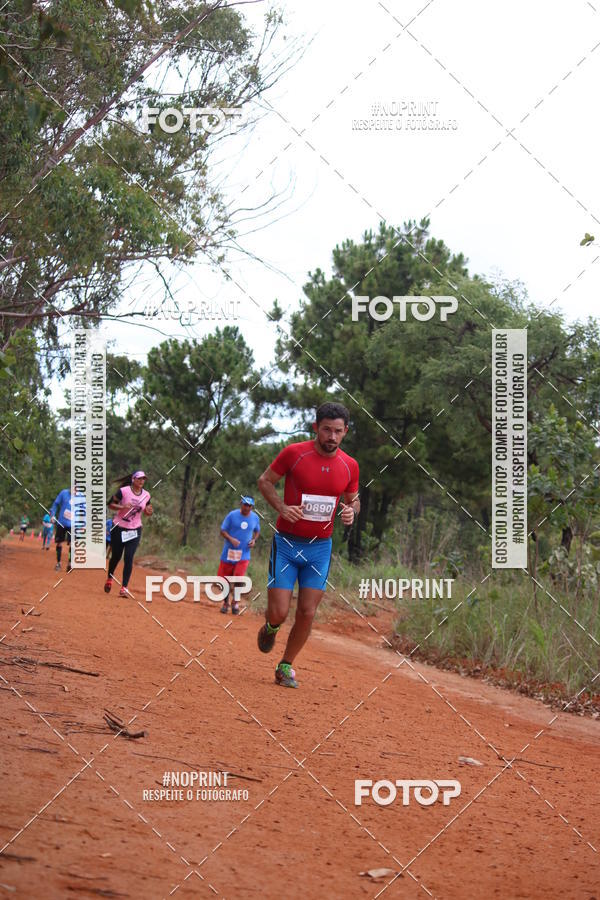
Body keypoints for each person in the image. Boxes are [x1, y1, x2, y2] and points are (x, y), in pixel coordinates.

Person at [256, 401, 359, 688]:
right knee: (279, 611)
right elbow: (265, 481)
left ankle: (285, 665)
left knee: (307, 611)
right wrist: (281, 507)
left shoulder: (349, 465)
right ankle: (271, 627)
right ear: (316, 428)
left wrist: (352, 511)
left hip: (320, 548)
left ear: (345, 432)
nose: (332, 437)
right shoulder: (294, 453)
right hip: (287, 544)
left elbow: (354, 500)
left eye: (338, 431)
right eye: (326, 430)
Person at [105, 471, 152, 597]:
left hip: (135, 530)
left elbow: (147, 510)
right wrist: (122, 507)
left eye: (144, 479)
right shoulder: (123, 491)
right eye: (139, 479)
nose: (142, 481)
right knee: (116, 557)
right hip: (119, 527)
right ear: (133, 479)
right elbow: (110, 505)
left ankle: (124, 588)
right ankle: (110, 578)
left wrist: (149, 512)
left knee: (129, 558)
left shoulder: (146, 495)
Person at [218, 496, 260, 615]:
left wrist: (254, 540)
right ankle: (225, 603)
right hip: (229, 553)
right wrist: (231, 539)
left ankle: (235, 603)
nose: (247, 508)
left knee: (238, 578)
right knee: (224, 580)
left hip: (244, 554)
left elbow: (257, 531)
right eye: (245, 505)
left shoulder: (255, 518)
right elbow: (222, 531)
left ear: (252, 507)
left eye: (249, 506)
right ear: (241, 503)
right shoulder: (232, 515)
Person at [50, 488, 80, 571]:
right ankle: (58, 563)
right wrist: (52, 515)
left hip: (73, 525)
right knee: (59, 543)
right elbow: (55, 504)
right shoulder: (64, 493)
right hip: (61, 523)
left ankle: (70, 563)